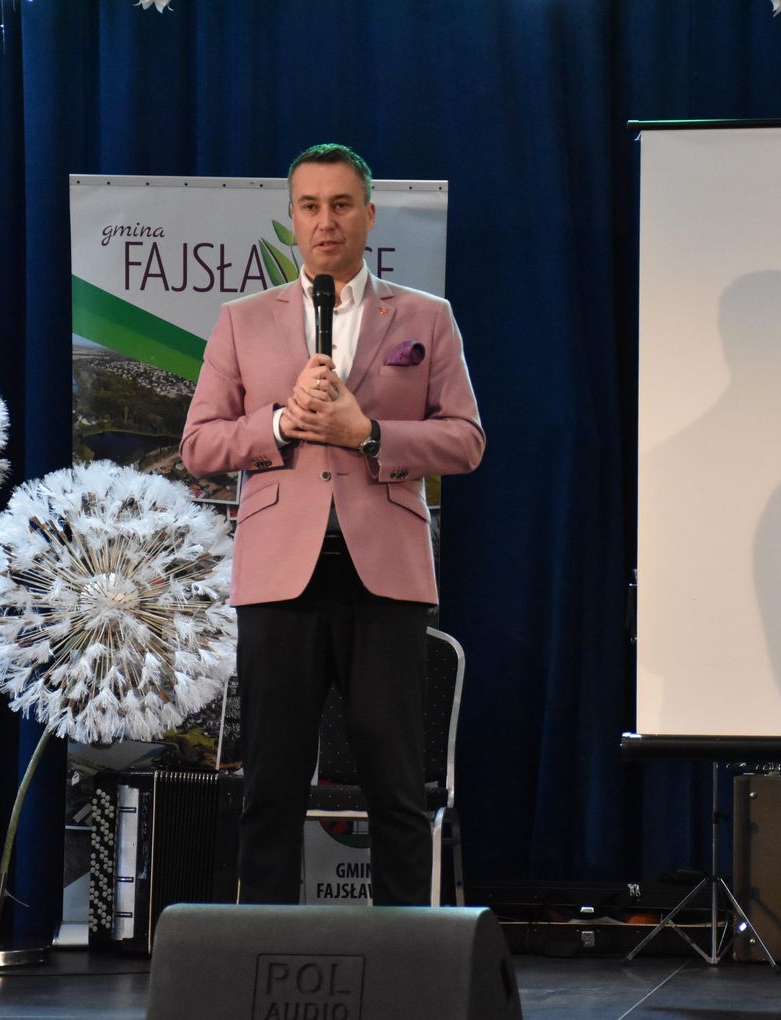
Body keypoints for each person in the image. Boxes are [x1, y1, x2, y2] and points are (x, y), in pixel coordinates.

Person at [180, 143, 485, 906]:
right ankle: (267, 949)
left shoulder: (425, 317)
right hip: (280, 576)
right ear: (292, 218)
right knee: (271, 782)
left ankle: (405, 950)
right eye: (311, 206)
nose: (326, 221)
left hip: (385, 574)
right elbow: (200, 445)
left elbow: (465, 441)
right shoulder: (243, 320)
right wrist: (280, 423)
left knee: (396, 783)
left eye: (342, 205)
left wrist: (370, 434)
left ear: (369, 215)